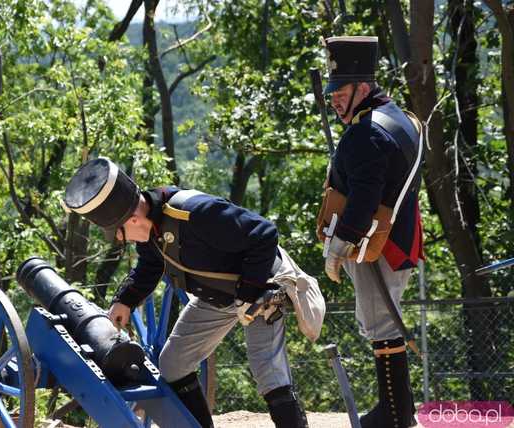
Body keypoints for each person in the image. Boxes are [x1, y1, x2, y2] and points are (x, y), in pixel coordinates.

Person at [62, 157, 326, 428]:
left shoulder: (195, 213)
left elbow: (264, 234)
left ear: (133, 218)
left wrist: (249, 293)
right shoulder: (149, 227)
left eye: (118, 233)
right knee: (173, 364)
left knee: (268, 373)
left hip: (262, 284)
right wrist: (125, 301)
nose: (120, 240)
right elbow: (151, 264)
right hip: (218, 294)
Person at [319, 36, 424, 428]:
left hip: (376, 241)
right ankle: (398, 411)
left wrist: (339, 244)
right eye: (331, 94)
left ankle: (394, 414)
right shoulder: (399, 117)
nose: (334, 101)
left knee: (381, 325)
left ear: (362, 88)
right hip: (397, 235)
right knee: (383, 322)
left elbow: (364, 196)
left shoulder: (367, 132)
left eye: (341, 92)